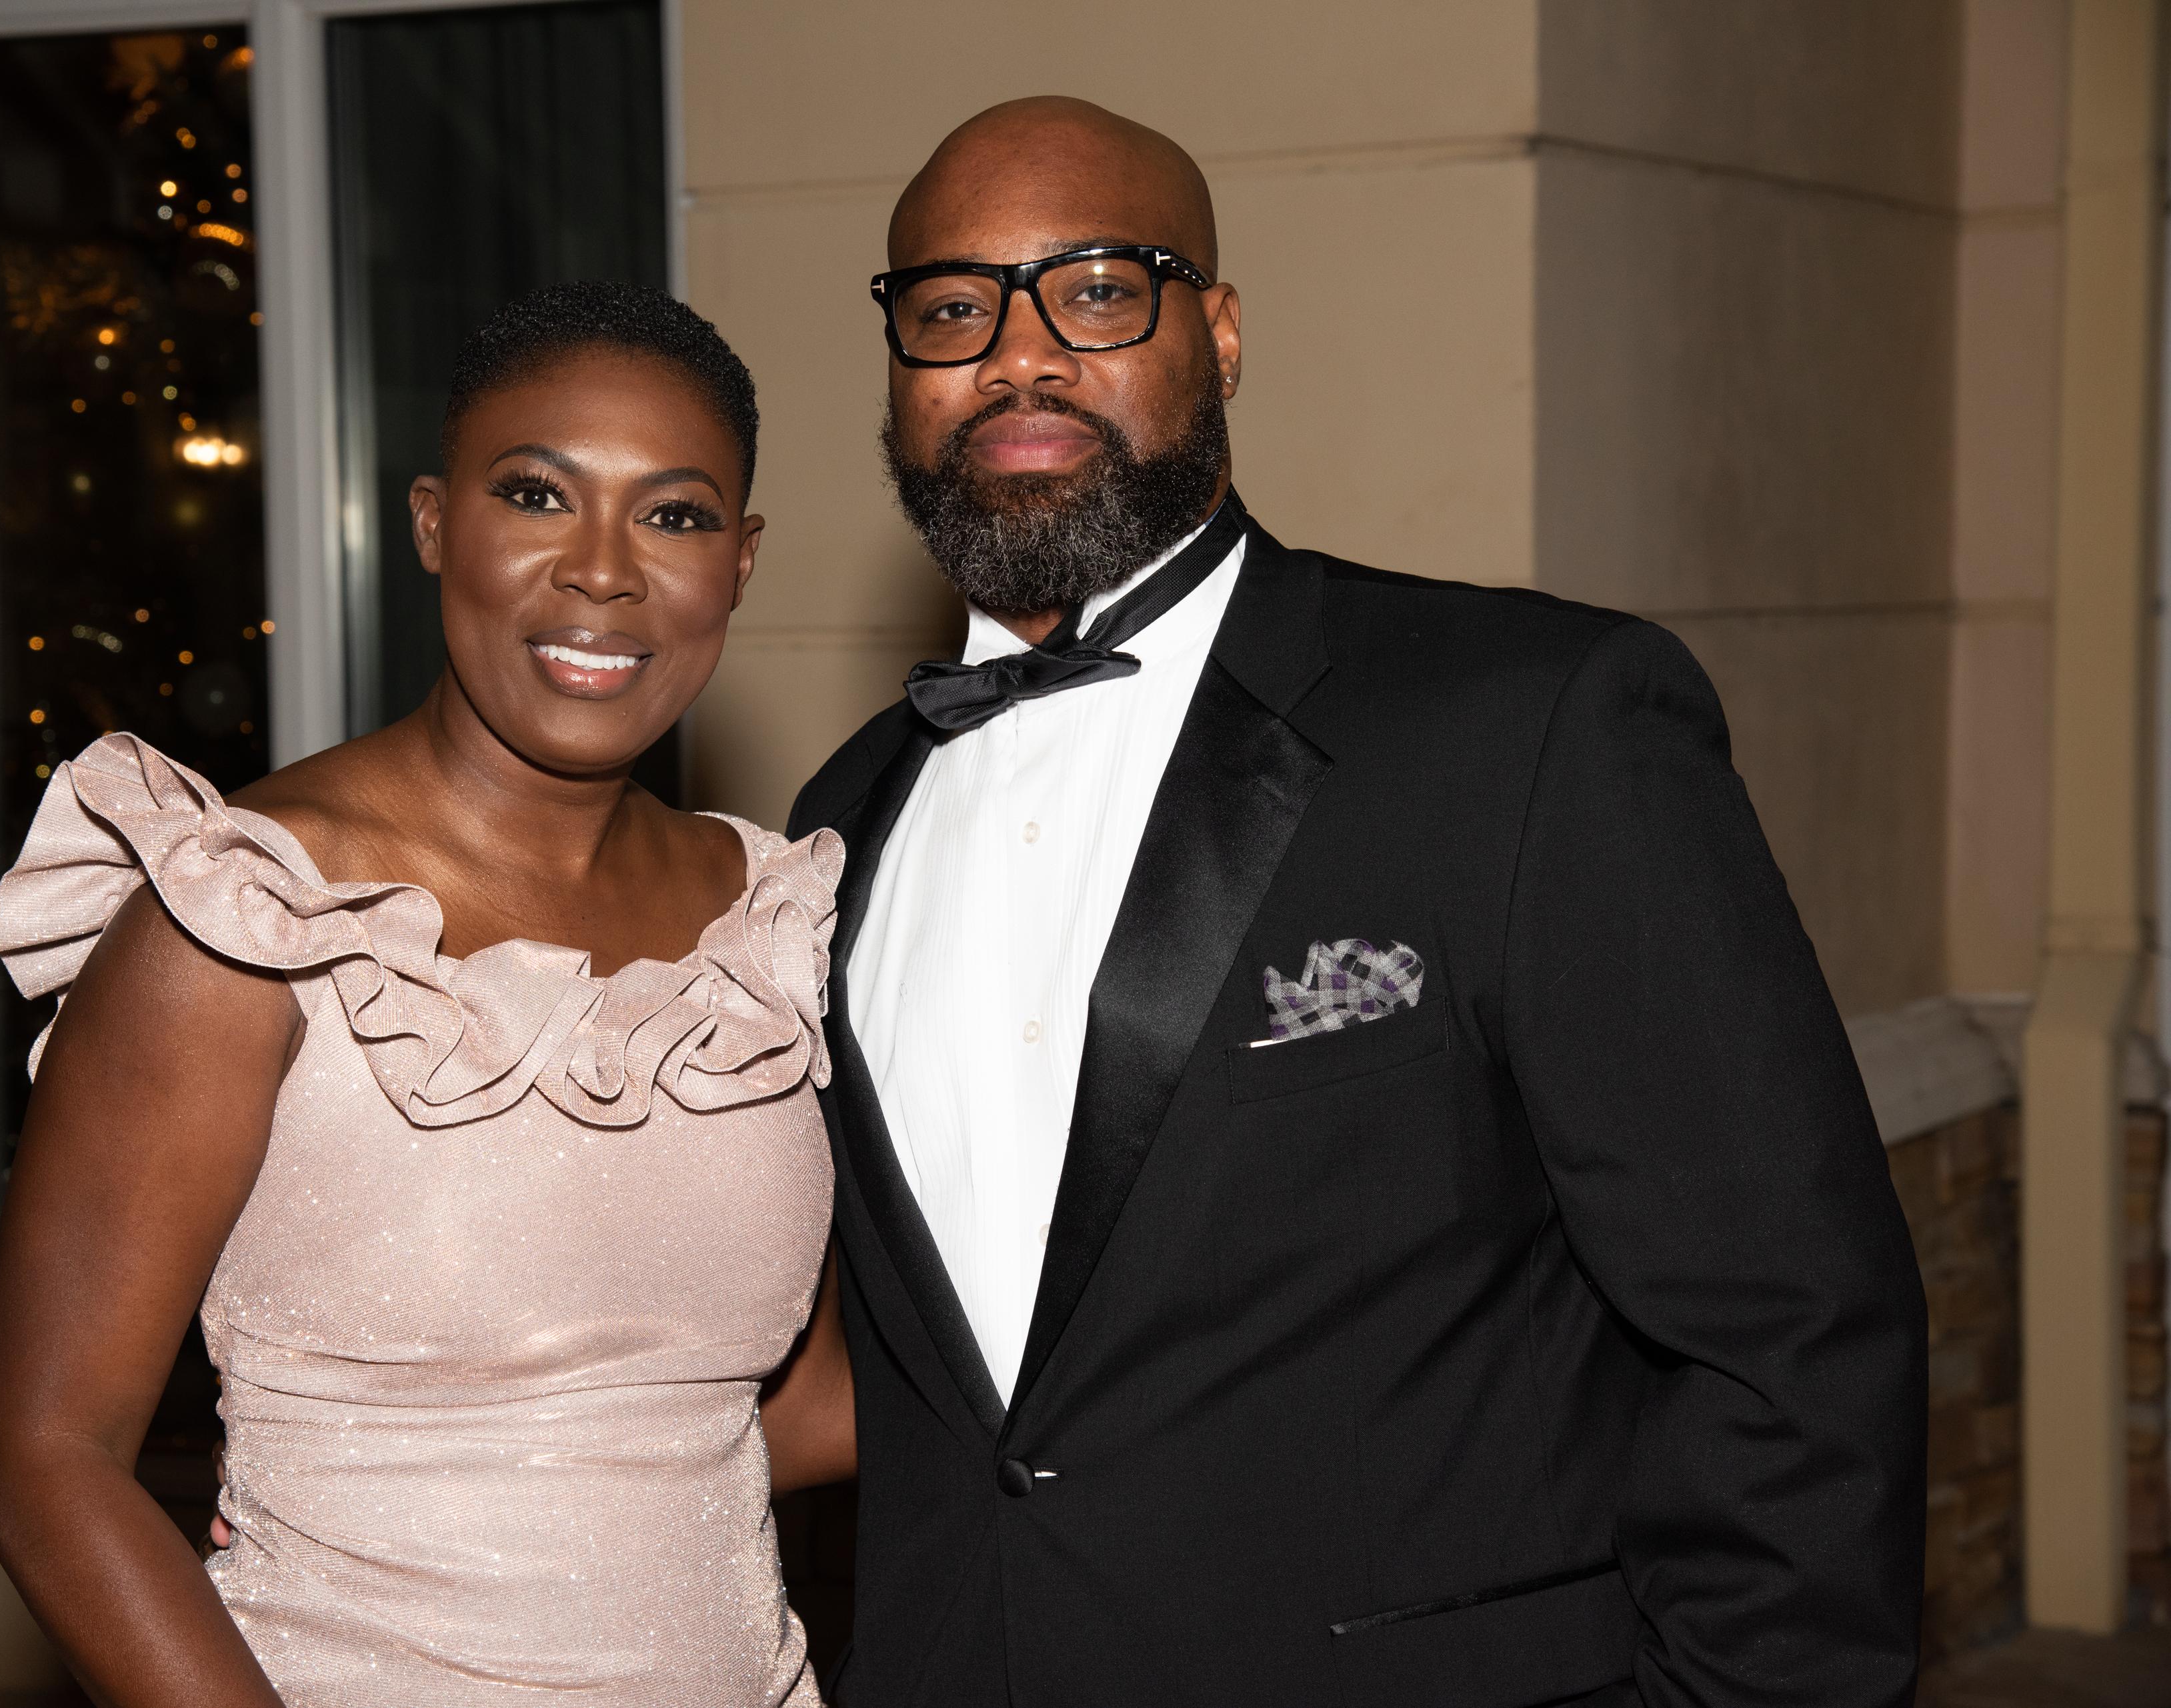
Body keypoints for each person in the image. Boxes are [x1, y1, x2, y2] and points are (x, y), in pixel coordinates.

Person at [787, 98, 1928, 1706]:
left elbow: (1792, 1335)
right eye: (952, 308)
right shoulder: (839, 823)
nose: (1017, 356)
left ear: (1221, 334)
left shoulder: (1528, 728)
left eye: (1097, 290)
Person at [0, 281, 855, 1706]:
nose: (603, 572)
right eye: (537, 495)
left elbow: (783, 1413)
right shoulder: (250, 913)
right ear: (435, 524)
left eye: (675, 516)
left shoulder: (770, 927)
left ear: (739, 564)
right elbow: (41, 1450)